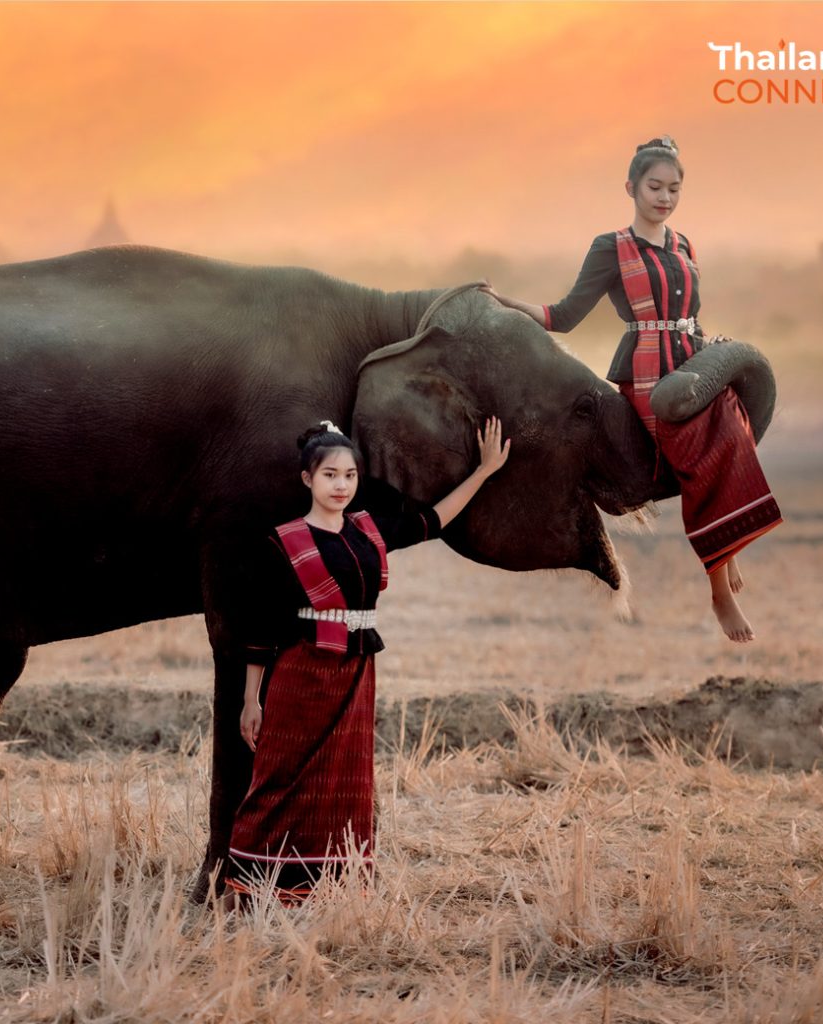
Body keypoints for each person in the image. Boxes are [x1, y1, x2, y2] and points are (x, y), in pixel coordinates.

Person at [481, 135, 782, 643]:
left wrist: (715, 353)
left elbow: (693, 315)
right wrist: (502, 302)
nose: (664, 198)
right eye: (655, 187)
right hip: (649, 373)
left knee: (734, 430)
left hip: (694, 363)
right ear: (631, 187)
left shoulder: (684, 245)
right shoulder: (611, 247)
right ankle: (719, 592)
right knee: (697, 451)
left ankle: (726, 553)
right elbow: (564, 316)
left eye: (674, 189)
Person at [224, 416, 510, 905]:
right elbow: (262, 625)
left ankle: (328, 886)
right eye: (330, 474)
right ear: (307, 479)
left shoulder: (368, 530)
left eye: (350, 475)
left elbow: (435, 520)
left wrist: (484, 471)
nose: (341, 485)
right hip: (301, 671)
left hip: (356, 671)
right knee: (280, 777)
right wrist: (252, 699)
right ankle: (247, 884)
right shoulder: (283, 541)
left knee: (344, 780)